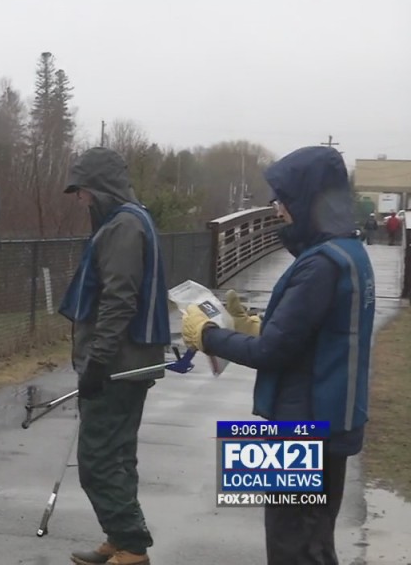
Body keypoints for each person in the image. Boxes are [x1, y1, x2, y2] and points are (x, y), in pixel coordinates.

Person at [181, 145, 375, 565]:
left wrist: (208, 335)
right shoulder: (350, 253)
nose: (277, 209)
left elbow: (272, 352)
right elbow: (316, 333)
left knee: (294, 547)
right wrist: (253, 324)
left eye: (283, 199)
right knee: (313, 540)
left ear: (307, 199)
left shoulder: (319, 265)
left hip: (303, 425)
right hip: (326, 420)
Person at [57, 147, 171, 565]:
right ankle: (120, 537)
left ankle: (131, 544)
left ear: (100, 189)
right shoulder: (133, 219)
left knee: (98, 458)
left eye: (82, 191)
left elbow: (119, 301)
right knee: (119, 454)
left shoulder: (122, 227)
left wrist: (97, 362)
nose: (80, 200)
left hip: (118, 365)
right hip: (130, 363)